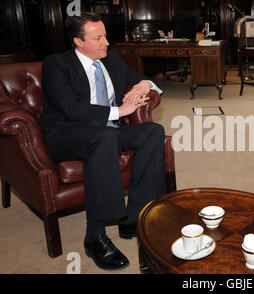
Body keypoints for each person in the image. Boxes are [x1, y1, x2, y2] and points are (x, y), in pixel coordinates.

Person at [38, 13, 167, 270]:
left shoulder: (112, 60)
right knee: (105, 136)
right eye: (98, 38)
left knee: (153, 131)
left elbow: (145, 79)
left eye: (105, 35)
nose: (106, 42)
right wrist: (120, 111)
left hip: (109, 130)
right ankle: (95, 235)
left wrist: (143, 86)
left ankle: (135, 218)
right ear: (78, 41)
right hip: (67, 133)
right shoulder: (56, 64)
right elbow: (71, 108)